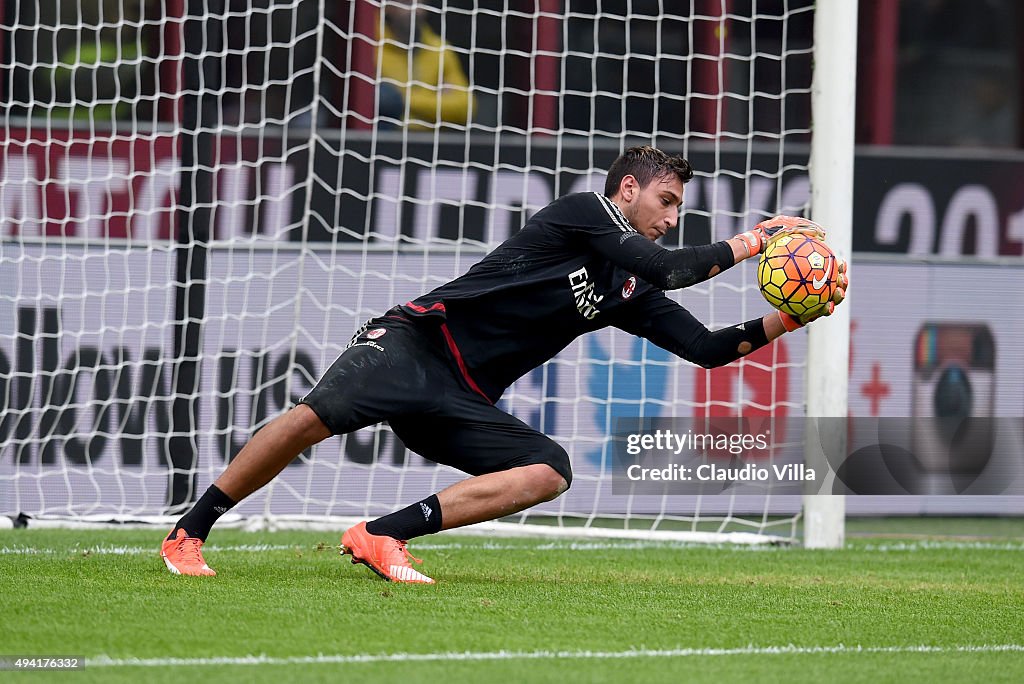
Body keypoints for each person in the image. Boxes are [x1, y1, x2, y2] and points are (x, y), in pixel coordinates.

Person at [160, 145, 848, 583]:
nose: (671, 217)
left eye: (677, 207)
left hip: (459, 394)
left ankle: (379, 536)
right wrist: (758, 239)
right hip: (415, 343)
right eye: (665, 201)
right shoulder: (583, 212)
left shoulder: (628, 288)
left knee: (550, 471)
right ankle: (190, 532)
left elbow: (706, 349)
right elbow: (671, 266)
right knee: (317, 417)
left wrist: (792, 316)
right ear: (628, 189)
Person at [375, 1, 474, 129]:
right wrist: (435, 101)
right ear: (387, 7)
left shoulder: (440, 50)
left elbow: (465, 107)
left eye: (421, 3)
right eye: (408, 3)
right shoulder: (371, 46)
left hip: (433, 143)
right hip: (385, 142)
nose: (417, 10)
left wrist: (401, 100)